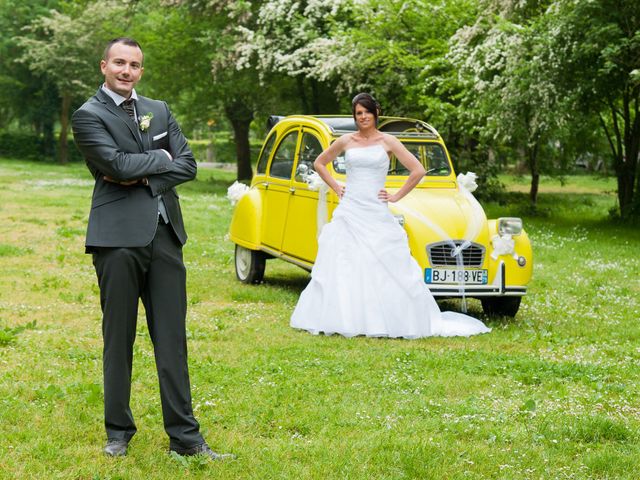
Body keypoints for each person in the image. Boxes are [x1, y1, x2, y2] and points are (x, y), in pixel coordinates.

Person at [72, 37, 232, 460]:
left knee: (172, 339)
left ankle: (186, 438)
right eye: (120, 63)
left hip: (165, 236)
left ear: (141, 70)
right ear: (104, 66)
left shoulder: (158, 110)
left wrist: (145, 172)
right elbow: (115, 165)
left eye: (135, 65)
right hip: (117, 239)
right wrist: (161, 158)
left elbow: (189, 165)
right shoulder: (88, 115)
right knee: (118, 337)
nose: (127, 71)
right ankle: (118, 432)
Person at [290, 93, 491, 338]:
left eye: (367, 112)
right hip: (351, 208)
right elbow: (320, 163)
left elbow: (418, 170)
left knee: (384, 260)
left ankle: (384, 317)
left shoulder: (388, 141)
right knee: (345, 260)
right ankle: (344, 316)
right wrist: (336, 186)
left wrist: (396, 196)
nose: (363, 117)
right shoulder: (346, 141)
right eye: (358, 113)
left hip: (376, 208)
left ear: (375, 113)